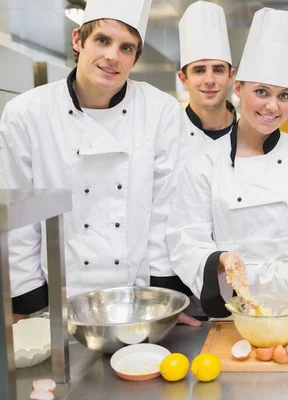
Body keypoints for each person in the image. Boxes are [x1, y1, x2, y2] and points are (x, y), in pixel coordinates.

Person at [0, 0, 198, 325]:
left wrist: (166, 300)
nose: (112, 56)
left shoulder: (159, 110)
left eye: (126, 47)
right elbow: (21, 217)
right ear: (78, 40)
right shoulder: (27, 113)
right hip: (58, 305)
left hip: (141, 301)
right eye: (103, 40)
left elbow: (166, 211)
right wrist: (28, 301)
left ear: (135, 58)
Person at [166, 7, 288, 318]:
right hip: (232, 310)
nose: (272, 107)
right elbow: (187, 238)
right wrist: (221, 260)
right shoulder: (204, 164)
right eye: (261, 92)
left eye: (284, 95)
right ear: (238, 88)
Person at [177, 1, 236, 147]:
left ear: (230, 76)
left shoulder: (251, 136)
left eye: (218, 70)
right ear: (184, 79)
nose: (210, 80)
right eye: (199, 70)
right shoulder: (169, 135)